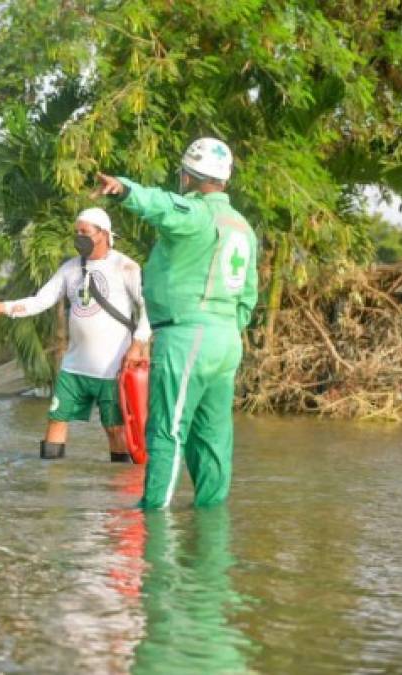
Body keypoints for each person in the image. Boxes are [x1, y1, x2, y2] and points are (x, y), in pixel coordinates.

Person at [93, 137, 258, 509]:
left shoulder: (196, 213)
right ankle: (210, 531)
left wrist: (125, 190)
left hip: (187, 335)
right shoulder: (243, 227)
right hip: (227, 337)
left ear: (188, 177)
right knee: (213, 438)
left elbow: (161, 206)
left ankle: (155, 523)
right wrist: (228, 328)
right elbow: (249, 293)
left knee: (167, 430)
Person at [0, 207, 151, 461]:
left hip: (113, 368)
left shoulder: (124, 266)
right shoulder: (71, 269)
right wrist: (2, 307)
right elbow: (41, 300)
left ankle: (118, 486)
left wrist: (138, 343)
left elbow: (148, 307)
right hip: (74, 368)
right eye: (76, 232)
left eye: (85, 232)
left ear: (103, 234)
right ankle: (52, 486)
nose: (78, 237)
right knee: (56, 419)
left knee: (115, 430)